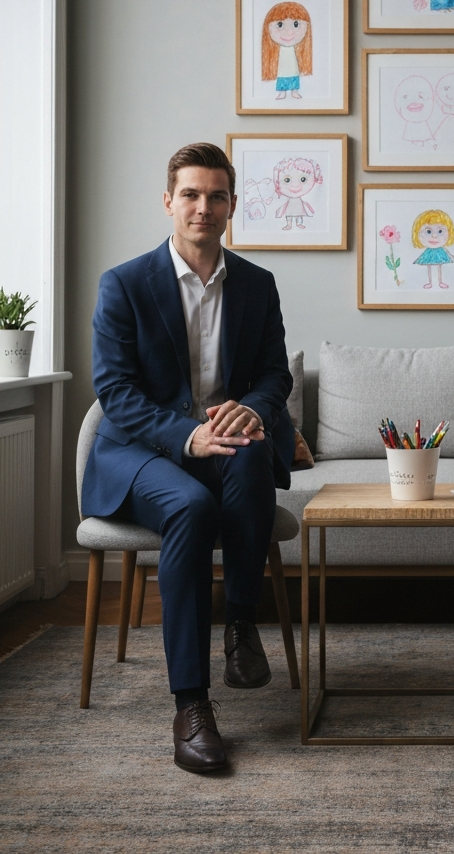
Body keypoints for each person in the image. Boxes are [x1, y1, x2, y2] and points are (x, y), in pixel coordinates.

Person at [82, 143, 295, 774]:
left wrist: (253, 410)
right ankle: (191, 705)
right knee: (193, 507)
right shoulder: (123, 284)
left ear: (232, 204)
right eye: (192, 195)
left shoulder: (258, 285)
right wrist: (186, 436)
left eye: (218, 195)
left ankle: (239, 625)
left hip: (227, 443)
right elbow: (115, 393)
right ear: (169, 201)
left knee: (253, 452)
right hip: (144, 451)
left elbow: (274, 374)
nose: (204, 207)